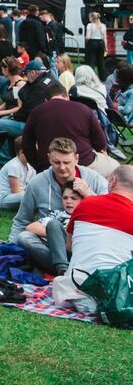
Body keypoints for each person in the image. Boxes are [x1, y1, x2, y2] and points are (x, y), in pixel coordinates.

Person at [9, 137, 108, 274]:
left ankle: (64, 269)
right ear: (49, 158)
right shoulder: (37, 183)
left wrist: (89, 194)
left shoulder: (95, 179)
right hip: (50, 245)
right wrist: (10, 250)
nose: (62, 167)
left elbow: (110, 212)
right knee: (24, 238)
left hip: (85, 243)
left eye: (67, 162)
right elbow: (22, 220)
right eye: (56, 162)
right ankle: (67, 271)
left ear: (77, 159)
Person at [56, 165, 133, 315]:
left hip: (77, 283)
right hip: (119, 289)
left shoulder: (85, 204)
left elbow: (69, 245)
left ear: (113, 181)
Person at [20, 81, 112, 174]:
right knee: (114, 166)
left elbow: (26, 144)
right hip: (83, 162)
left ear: (46, 100)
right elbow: (100, 142)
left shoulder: (36, 112)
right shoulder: (83, 109)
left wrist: (38, 164)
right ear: (67, 97)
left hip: (50, 164)